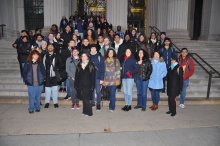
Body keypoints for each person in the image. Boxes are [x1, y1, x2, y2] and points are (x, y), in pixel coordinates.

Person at [75, 52, 96, 116]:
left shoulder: (91, 64)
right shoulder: (79, 64)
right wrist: (76, 84)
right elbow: (76, 75)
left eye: (85, 56)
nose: (83, 57)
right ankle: (84, 111)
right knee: (84, 98)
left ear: (87, 57)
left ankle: (89, 112)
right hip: (80, 84)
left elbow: (93, 76)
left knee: (86, 99)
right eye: (82, 56)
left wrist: (93, 85)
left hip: (88, 84)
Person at [43, 44, 61, 108]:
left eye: (51, 46)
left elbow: (61, 64)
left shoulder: (57, 56)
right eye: (49, 46)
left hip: (54, 76)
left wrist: (57, 68)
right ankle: (47, 102)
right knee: (47, 90)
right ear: (47, 48)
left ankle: (55, 103)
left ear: (53, 48)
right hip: (47, 76)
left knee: (55, 90)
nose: (50, 47)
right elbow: (43, 65)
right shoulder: (45, 56)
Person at [89, 45, 105, 110]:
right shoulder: (88, 57)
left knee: (98, 91)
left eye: (94, 48)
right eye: (92, 48)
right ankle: (92, 102)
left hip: (97, 77)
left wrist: (102, 78)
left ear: (96, 49)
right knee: (91, 90)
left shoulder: (99, 57)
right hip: (90, 77)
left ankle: (98, 104)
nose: (93, 49)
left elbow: (102, 68)